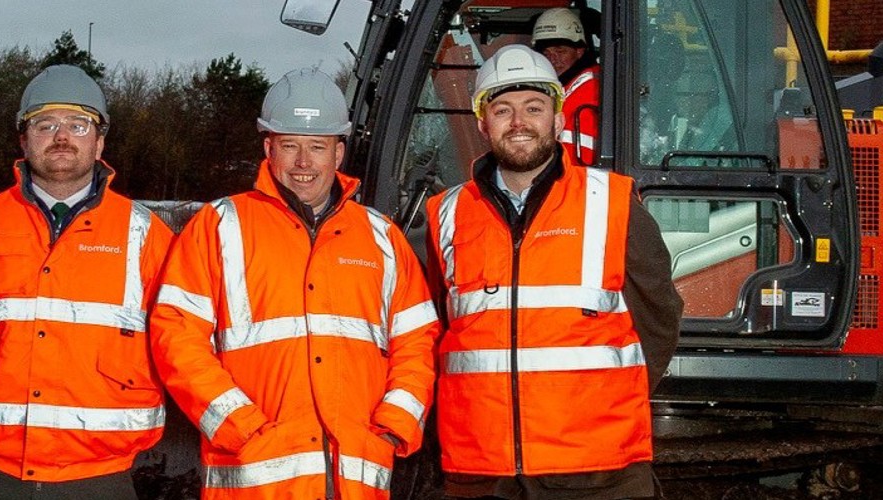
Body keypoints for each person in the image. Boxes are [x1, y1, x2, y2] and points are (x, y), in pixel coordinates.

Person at [149, 68, 440, 499]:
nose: (304, 162)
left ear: (338, 154)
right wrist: (238, 423)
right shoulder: (219, 227)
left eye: (317, 147)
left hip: (355, 480)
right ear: (269, 149)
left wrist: (395, 422)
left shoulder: (382, 238)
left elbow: (416, 341)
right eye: (290, 146)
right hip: (254, 479)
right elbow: (176, 337)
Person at [427, 44, 685, 500]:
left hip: (596, 472)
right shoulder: (446, 214)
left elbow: (657, 316)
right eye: (502, 110)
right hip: (482, 472)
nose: (519, 122)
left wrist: (606, 407)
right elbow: (435, 331)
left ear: (559, 120)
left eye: (534, 107)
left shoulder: (613, 204)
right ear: (483, 124)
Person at [0, 65, 175, 500]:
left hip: (100, 474)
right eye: (45, 124)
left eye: (78, 124)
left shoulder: (146, 235)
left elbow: (178, 337)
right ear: (23, 138)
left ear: (100, 140)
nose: (62, 136)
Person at [533, 7, 601, 164]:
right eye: (546, 53)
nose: (552, 59)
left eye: (560, 51)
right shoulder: (564, 87)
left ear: (579, 51)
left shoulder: (591, 87)